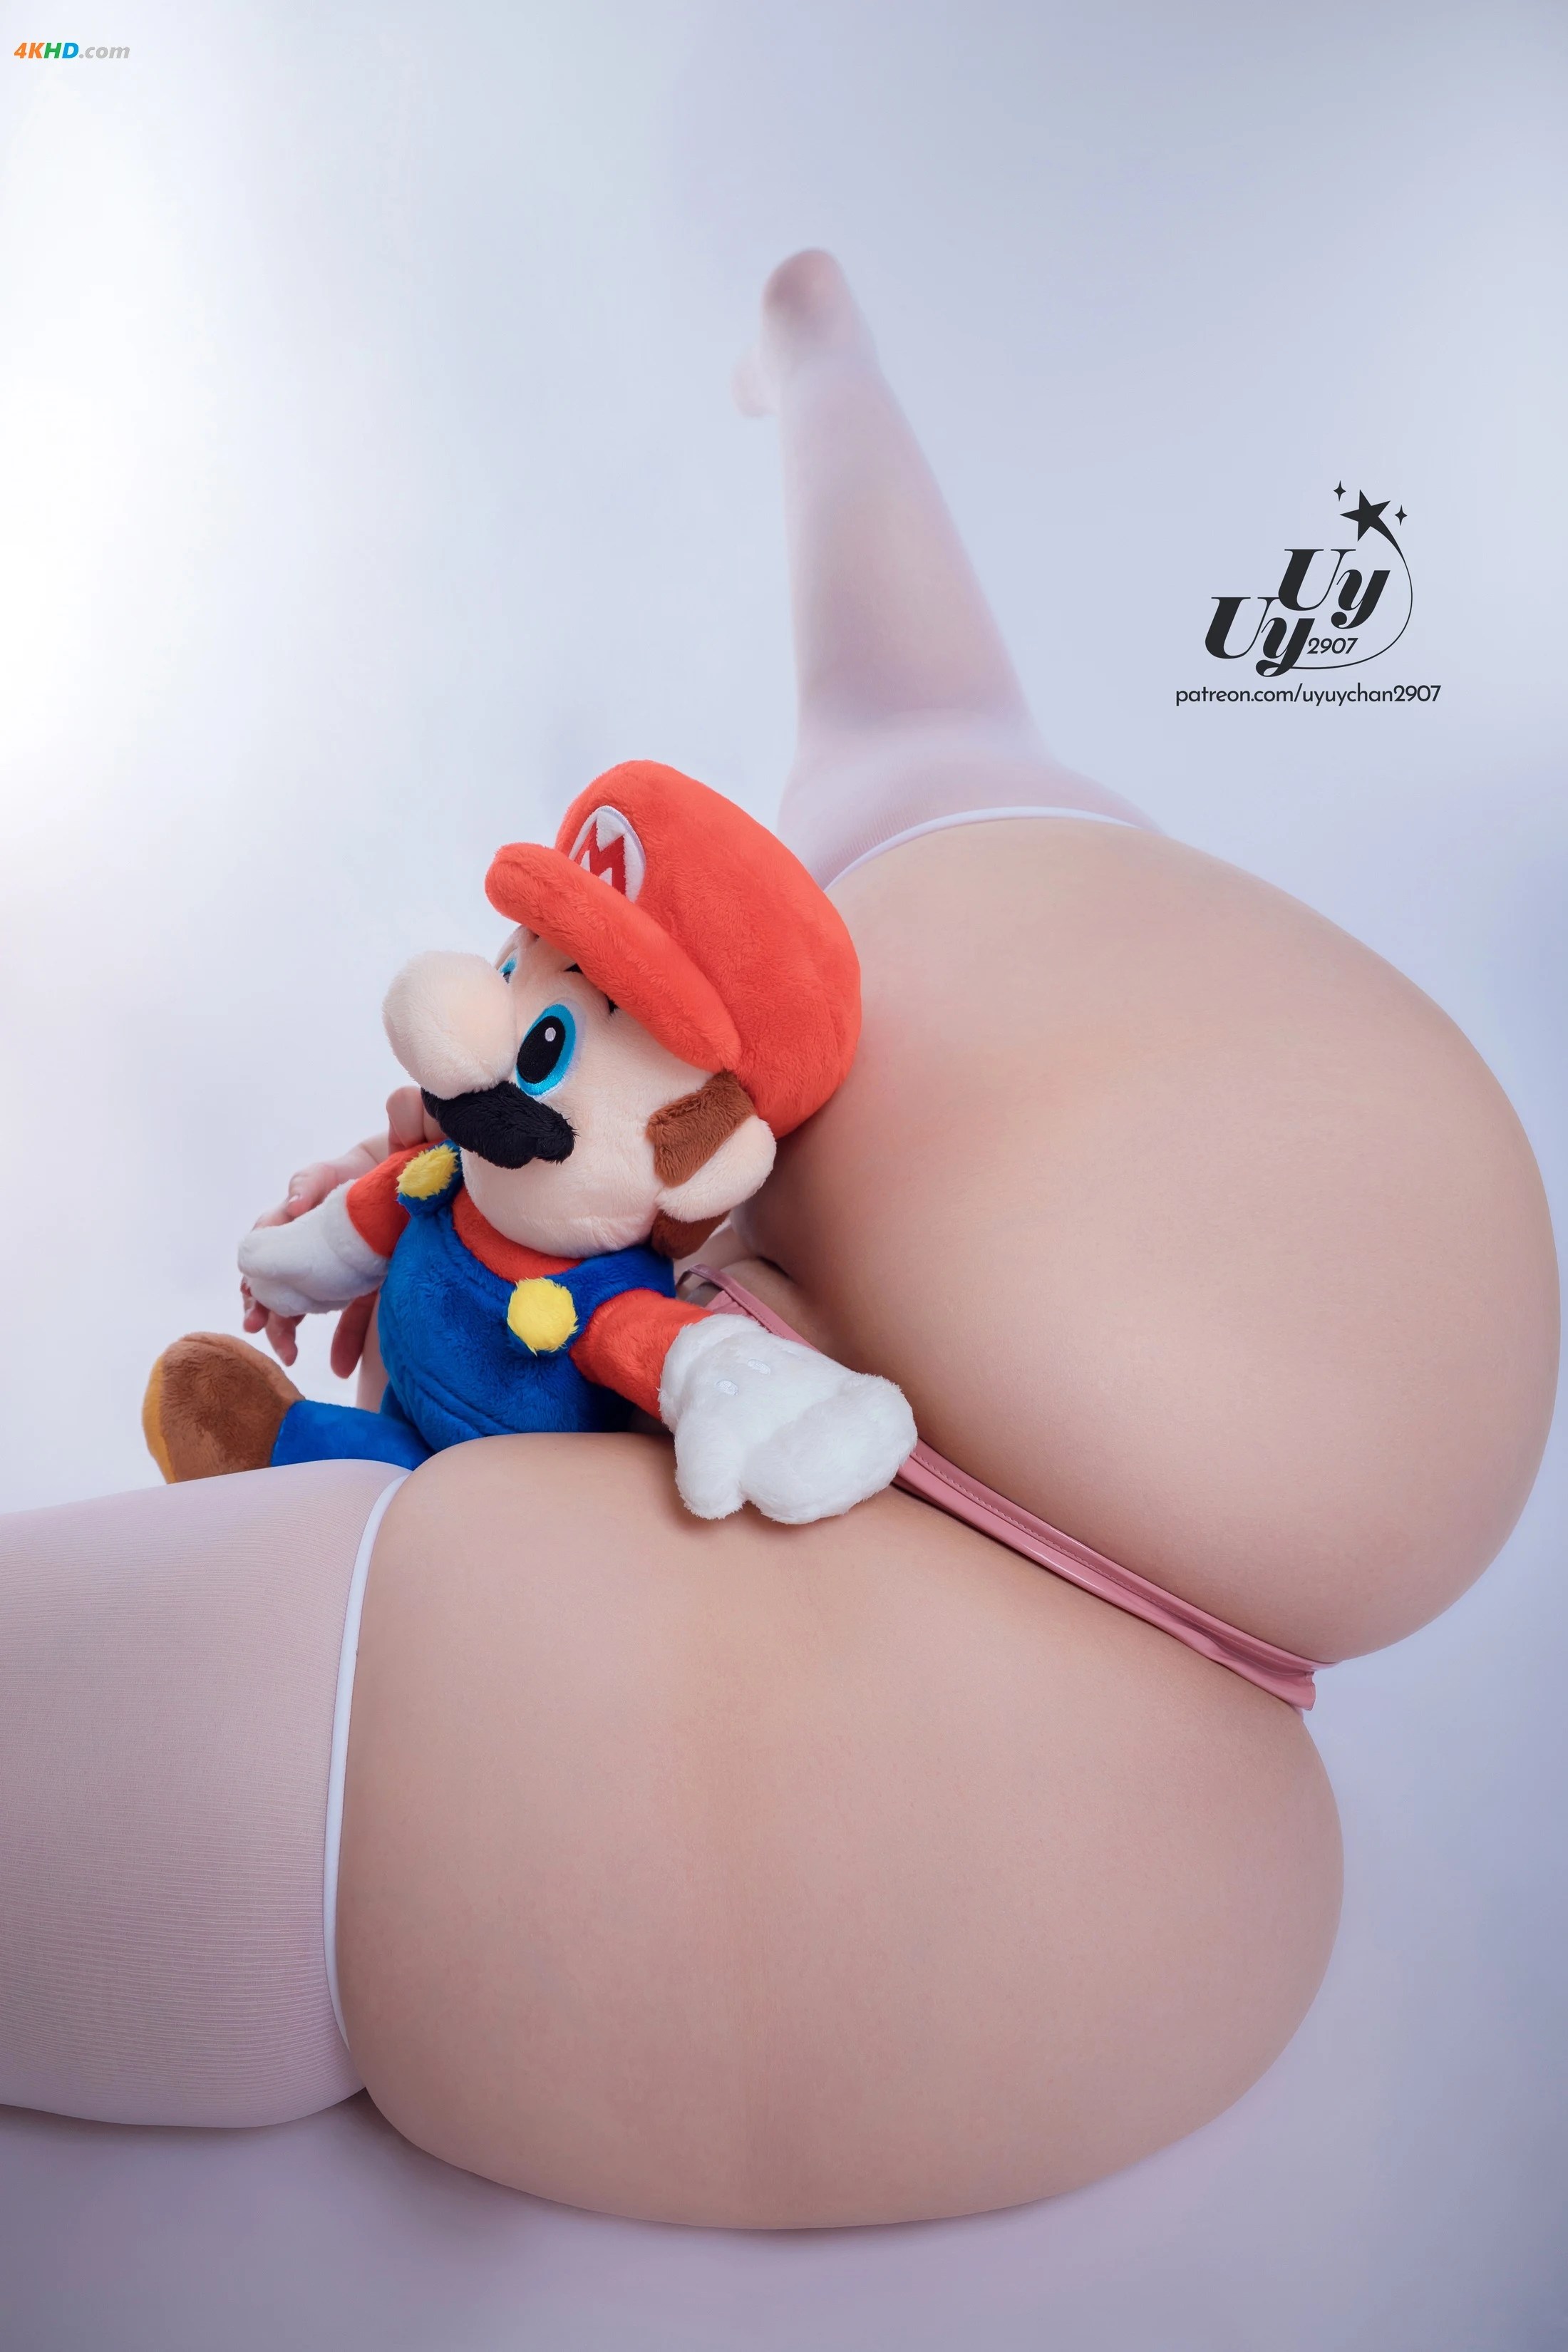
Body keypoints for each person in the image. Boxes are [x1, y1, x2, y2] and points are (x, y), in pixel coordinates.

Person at [0, 254, 1552, 2229]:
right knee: (917, 709)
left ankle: (822, 355)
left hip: (1009, 1744)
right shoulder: (928, 915)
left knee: (909, 717)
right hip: (1185, 1095)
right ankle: (823, 353)